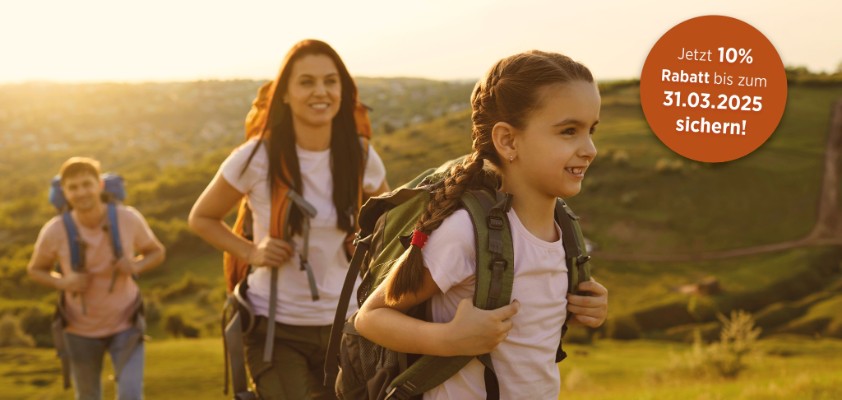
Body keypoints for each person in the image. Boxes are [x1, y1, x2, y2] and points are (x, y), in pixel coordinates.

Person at [354, 50, 609, 399]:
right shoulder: (466, 233)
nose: (590, 148)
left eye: (590, 130)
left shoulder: (565, 232)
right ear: (508, 141)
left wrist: (583, 310)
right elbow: (370, 317)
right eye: (569, 131)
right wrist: (448, 339)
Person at [188, 39, 389, 400]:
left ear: (343, 90)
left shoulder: (359, 155)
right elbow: (202, 217)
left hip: (349, 325)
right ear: (284, 94)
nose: (321, 92)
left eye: (330, 81)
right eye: (306, 82)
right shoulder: (257, 156)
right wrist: (251, 253)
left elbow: (390, 225)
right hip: (276, 330)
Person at [27, 157, 165, 400]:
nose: (81, 192)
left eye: (86, 184)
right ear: (64, 192)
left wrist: (135, 265)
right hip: (78, 329)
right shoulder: (55, 230)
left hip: (127, 322)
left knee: (131, 395)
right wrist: (63, 282)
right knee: (88, 396)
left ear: (99, 185)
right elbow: (35, 269)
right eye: (73, 187)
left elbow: (156, 252)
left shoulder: (127, 218)